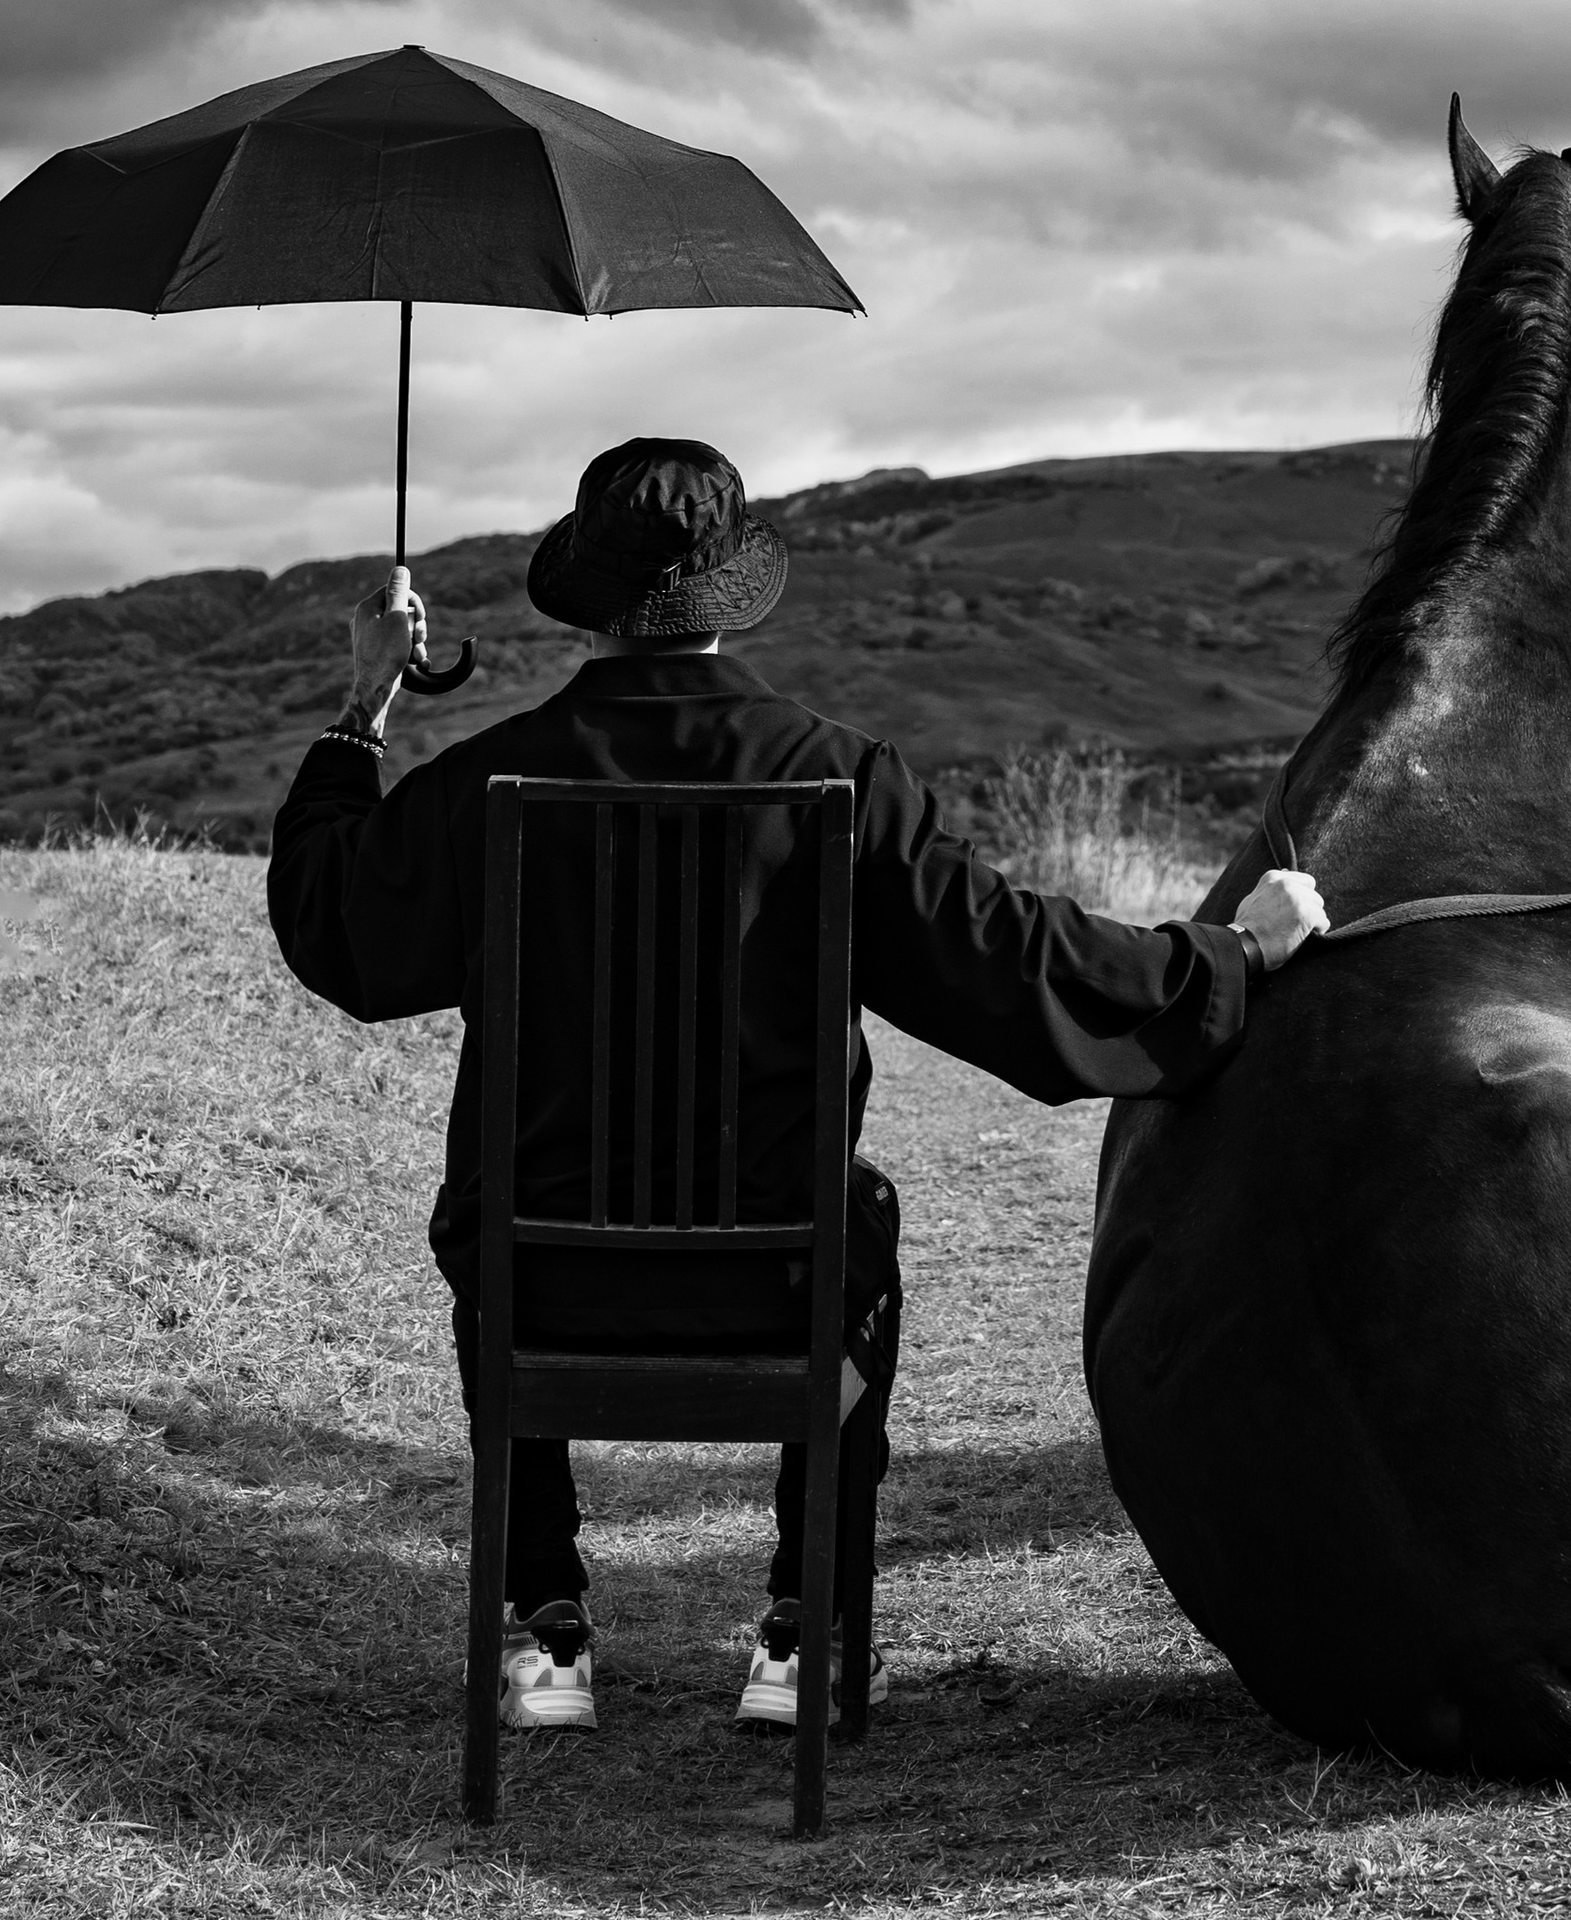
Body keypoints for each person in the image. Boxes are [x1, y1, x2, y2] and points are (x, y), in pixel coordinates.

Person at [267, 435, 1325, 1740]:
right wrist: (1226, 957)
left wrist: (366, 702)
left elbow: (332, 924)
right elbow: (1012, 965)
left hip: (538, 1280)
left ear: (590, 597)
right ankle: (805, 1628)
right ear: (726, 595)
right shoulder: (840, 779)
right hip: (780, 1281)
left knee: (495, 1212)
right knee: (856, 1224)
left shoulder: (493, 779)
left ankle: (540, 1629)